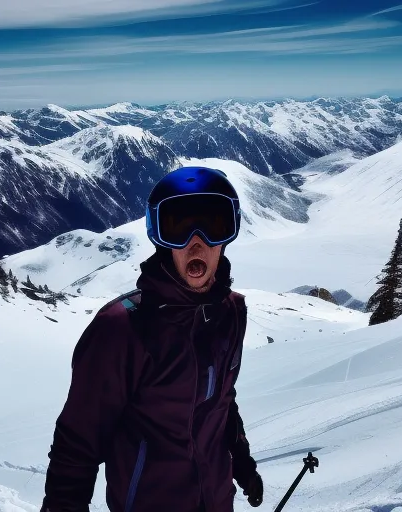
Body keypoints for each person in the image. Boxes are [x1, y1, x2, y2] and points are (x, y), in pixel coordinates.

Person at [40, 166, 264, 512]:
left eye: (213, 225)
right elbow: (78, 443)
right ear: (160, 238)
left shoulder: (231, 314)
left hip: (218, 502)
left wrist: (241, 460)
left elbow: (221, 400)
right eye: (178, 227)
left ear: (227, 235)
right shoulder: (122, 329)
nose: (196, 242)